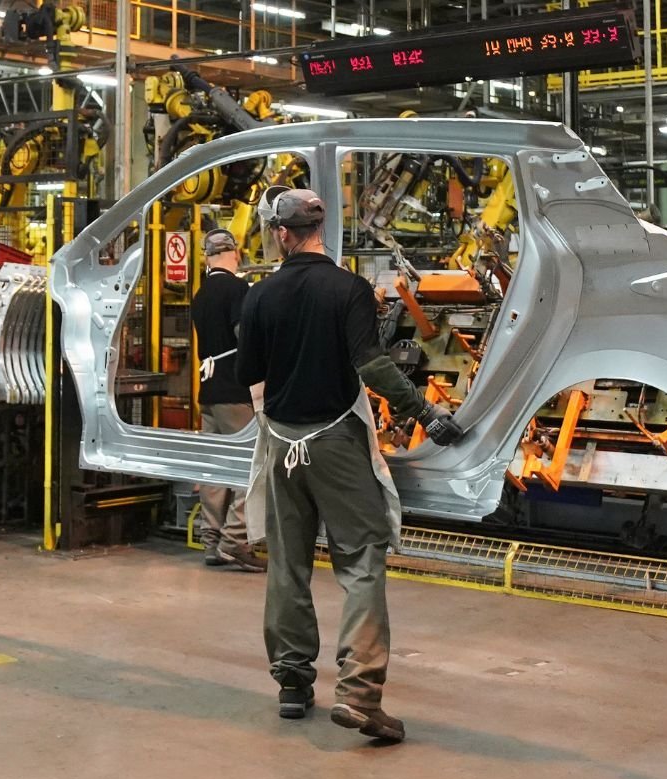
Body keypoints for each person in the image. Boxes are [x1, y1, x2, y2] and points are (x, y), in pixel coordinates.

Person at [236, 188, 464, 742]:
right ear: (318, 230)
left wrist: (278, 425)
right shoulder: (350, 289)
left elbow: (253, 380)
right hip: (336, 441)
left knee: (287, 562)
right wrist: (425, 413)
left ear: (282, 234)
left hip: (282, 445)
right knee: (361, 562)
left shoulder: (260, 296)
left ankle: (293, 685)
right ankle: (360, 696)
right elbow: (372, 366)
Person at [190, 227, 266, 573]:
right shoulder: (238, 288)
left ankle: (211, 540)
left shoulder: (200, 294)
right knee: (248, 465)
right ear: (233, 254)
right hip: (236, 390)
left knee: (213, 467)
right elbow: (244, 335)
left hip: (208, 391)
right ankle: (235, 541)